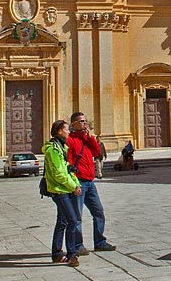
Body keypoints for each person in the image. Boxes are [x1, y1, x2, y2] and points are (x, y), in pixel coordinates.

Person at [67, 112, 116, 253]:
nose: (85, 123)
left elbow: (96, 153)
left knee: (98, 212)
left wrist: (90, 138)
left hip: (90, 182)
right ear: (73, 124)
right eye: (81, 121)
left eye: (85, 121)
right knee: (77, 216)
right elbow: (69, 162)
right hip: (79, 182)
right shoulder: (70, 140)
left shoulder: (87, 139)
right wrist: (74, 182)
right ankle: (78, 245)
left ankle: (100, 241)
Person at [42, 119, 83, 267]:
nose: (69, 131)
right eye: (67, 129)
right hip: (60, 191)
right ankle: (72, 255)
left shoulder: (61, 147)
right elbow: (59, 173)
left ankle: (57, 254)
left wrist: (75, 183)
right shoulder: (53, 149)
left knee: (62, 222)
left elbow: (67, 169)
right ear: (59, 131)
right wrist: (74, 187)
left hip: (65, 189)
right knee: (72, 221)